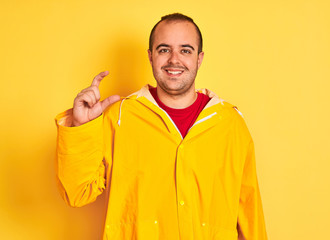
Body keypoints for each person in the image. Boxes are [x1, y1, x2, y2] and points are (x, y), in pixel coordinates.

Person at [55, 13, 267, 240]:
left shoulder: (230, 124)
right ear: (150, 56)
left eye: (185, 50)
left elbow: (249, 213)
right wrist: (80, 126)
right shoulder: (119, 117)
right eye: (164, 49)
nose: (174, 59)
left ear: (199, 58)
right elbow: (76, 193)